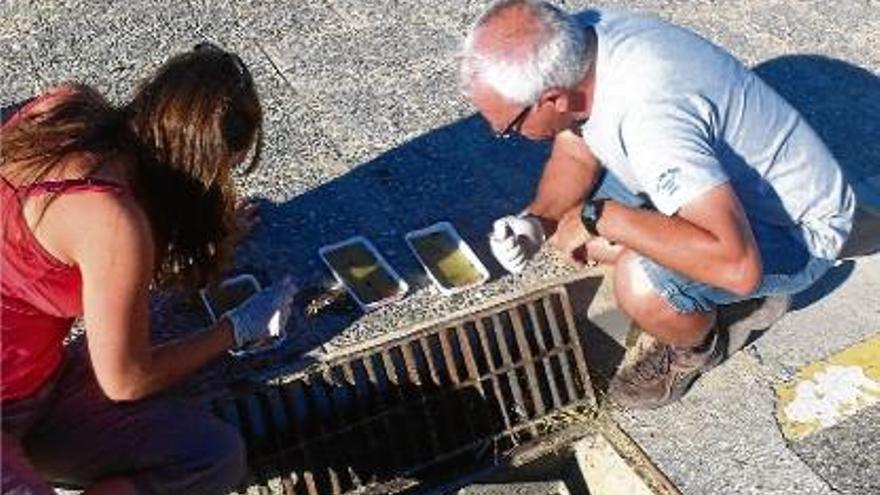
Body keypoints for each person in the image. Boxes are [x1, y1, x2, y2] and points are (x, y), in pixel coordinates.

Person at [460, 1, 855, 409]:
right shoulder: (580, 42)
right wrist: (538, 220)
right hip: (717, 186)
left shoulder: (653, 120)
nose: (504, 133)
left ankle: (707, 341)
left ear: (553, 98)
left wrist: (600, 217)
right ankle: (698, 282)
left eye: (508, 128)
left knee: (642, 285)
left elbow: (738, 267)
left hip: (797, 232)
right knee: (571, 238)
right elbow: (576, 148)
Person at [1, 44, 298, 494]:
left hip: (38, 384)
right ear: (197, 169)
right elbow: (127, 380)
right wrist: (236, 329)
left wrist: (205, 236)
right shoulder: (112, 220)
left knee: (210, 456)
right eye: (220, 177)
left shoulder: (65, 107)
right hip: (16, 396)